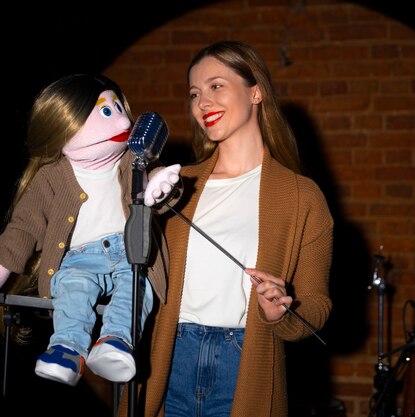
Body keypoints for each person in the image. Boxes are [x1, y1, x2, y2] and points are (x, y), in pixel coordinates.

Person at [118, 41, 334, 417]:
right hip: (169, 359)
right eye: (194, 93)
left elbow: (317, 305)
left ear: (256, 92)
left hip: (243, 366)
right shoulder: (173, 184)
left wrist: (281, 311)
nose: (202, 103)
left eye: (216, 86)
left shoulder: (301, 196)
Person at [0, 74, 181, 387]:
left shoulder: (133, 160)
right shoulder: (52, 177)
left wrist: (159, 188)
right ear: (65, 124)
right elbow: (26, 224)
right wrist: (2, 266)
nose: (121, 120)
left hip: (129, 252)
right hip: (78, 259)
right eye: (107, 112)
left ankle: (116, 343)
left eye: (119, 107)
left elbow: (159, 189)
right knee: (72, 293)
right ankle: (67, 351)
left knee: (136, 290)